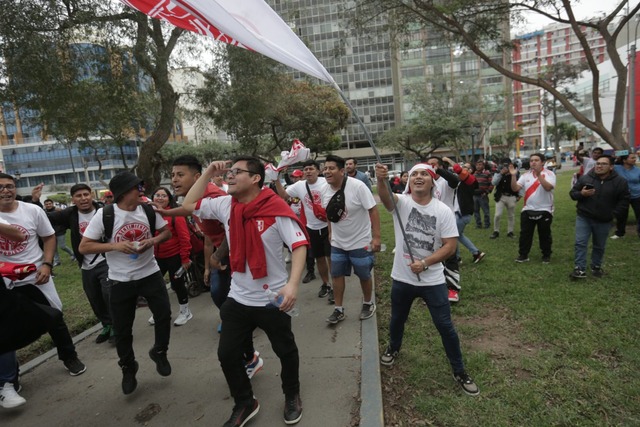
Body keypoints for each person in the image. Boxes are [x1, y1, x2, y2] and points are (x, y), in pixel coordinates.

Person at [182, 156, 309, 426]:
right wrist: (207, 172)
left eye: (237, 171)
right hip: (238, 299)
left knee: (285, 350)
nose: (229, 175)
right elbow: (187, 204)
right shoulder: (226, 205)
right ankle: (245, 402)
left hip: (271, 299)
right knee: (227, 354)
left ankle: (292, 394)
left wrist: (293, 284)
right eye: (230, 170)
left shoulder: (275, 208)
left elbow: (299, 245)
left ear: (255, 178)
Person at [373, 162, 480, 396]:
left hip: (432, 280)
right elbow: (387, 199)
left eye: (424, 174)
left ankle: (459, 370)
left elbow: (450, 246)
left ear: (433, 181)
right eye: (414, 175)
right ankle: (393, 348)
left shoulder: (442, 211)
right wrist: (381, 180)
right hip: (402, 278)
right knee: (397, 319)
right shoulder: (402, 203)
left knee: (445, 326)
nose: (418, 177)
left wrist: (425, 263)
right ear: (408, 181)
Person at [79, 172, 172, 395]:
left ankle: (159, 351)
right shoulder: (106, 215)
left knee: (163, 315)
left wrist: (154, 240)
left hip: (150, 273)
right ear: (123, 192)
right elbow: (84, 247)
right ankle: (128, 367)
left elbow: (167, 232)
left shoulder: (148, 210)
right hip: (120, 280)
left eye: (141, 188)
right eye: (136, 188)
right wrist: (115, 247)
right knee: (122, 329)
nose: (141, 192)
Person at [170, 155, 263, 377]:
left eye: (180, 175)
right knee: (220, 297)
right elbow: (210, 237)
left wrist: (218, 258)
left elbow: (236, 229)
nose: (174, 180)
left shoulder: (214, 196)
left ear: (197, 177)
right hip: (222, 258)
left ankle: (249, 353)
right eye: (173, 175)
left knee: (231, 304)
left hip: (236, 256)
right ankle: (247, 348)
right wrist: (208, 265)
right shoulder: (199, 200)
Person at [0, 173, 87, 376]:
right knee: (9, 325)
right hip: (6, 281)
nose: (6, 190)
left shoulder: (31, 211)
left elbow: (48, 237)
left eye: (10, 186)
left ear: (15, 189)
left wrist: (47, 264)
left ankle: (69, 357)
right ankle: (11, 375)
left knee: (55, 317)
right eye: (1, 187)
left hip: (36, 274)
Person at [45, 183, 114, 344]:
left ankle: (117, 327)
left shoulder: (105, 212)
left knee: (108, 294)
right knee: (94, 297)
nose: (83, 198)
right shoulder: (70, 214)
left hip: (106, 261)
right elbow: (43, 218)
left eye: (86, 194)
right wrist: (34, 201)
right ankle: (107, 325)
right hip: (86, 264)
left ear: (91, 195)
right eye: (79, 196)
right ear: (73, 200)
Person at [322, 155, 381, 324]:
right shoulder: (325, 190)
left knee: (363, 274)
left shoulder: (358, 186)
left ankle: (368, 303)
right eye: (325, 168)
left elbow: (373, 210)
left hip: (360, 242)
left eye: (331, 168)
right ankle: (338, 309)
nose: (327, 171)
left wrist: (376, 237)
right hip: (338, 243)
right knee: (337, 275)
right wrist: (330, 232)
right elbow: (329, 214)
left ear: (342, 171)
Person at [274, 160, 332, 299]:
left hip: (328, 227)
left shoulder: (326, 182)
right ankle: (326, 284)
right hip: (311, 228)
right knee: (320, 258)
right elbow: (283, 195)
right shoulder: (300, 185)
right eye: (305, 169)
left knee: (331, 258)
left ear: (318, 171)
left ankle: (336, 286)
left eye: (311, 169)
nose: (308, 171)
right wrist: (276, 178)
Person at [569, 155, 629, 279]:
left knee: (599, 245)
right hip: (584, 216)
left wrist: (613, 215)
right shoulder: (586, 178)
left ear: (611, 167)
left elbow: (624, 201)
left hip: (604, 219)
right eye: (598, 163)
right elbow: (573, 194)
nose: (599, 166)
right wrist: (582, 193)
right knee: (580, 243)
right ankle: (579, 269)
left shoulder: (620, 182)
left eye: (603, 164)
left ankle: (596, 267)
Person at [150, 187, 193, 326]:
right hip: (156, 257)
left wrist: (185, 258)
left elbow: (185, 238)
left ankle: (185, 312)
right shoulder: (149, 214)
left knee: (177, 285)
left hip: (175, 256)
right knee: (154, 286)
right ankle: (159, 312)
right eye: (157, 195)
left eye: (164, 196)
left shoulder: (175, 214)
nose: (160, 198)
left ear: (169, 199)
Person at [509, 153, 556, 263]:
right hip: (527, 209)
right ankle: (523, 255)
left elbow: (548, 188)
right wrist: (513, 176)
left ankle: (546, 255)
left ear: (542, 162)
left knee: (544, 234)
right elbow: (515, 188)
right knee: (525, 234)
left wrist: (539, 175)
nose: (533, 162)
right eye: (531, 160)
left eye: (536, 160)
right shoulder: (525, 175)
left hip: (545, 209)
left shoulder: (549, 174)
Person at [451, 164, 486, 265]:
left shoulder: (470, 181)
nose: (464, 168)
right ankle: (476, 253)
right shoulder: (461, 182)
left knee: (454, 236)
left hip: (463, 215)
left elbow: (458, 170)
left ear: (471, 171)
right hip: (459, 213)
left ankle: (457, 258)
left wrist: (448, 160)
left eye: (466, 167)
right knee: (458, 235)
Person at [490, 160, 521, 239]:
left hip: (511, 196)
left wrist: (519, 196)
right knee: (497, 215)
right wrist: (501, 173)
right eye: (505, 166)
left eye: (510, 166)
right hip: (501, 197)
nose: (507, 168)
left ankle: (510, 232)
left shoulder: (516, 174)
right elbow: (494, 183)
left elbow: (521, 185)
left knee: (511, 215)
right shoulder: (499, 173)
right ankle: (496, 231)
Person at [612, 153, 640, 239]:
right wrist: (614, 157)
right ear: (624, 160)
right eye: (632, 158)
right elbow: (608, 163)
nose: (634, 159)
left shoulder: (638, 170)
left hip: (637, 195)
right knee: (621, 215)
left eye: (634, 158)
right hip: (622, 196)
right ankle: (620, 233)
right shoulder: (617, 168)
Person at [44, 198, 75, 266]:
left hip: (60, 231)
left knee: (62, 246)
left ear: (52, 204)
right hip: (51, 232)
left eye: (50, 204)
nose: (48, 205)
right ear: (45, 205)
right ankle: (57, 261)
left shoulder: (58, 211)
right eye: (47, 204)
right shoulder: (44, 212)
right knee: (53, 248)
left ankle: (73, 254)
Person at [473, 159, 493, 229]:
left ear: (483, 166)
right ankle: (478, 224)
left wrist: (487, 192)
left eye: (480, 165)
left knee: (486, 211)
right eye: (477, 165)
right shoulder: (474, 174)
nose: (478, 166)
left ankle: (487, 224)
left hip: (483, 195)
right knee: (476, 211)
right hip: (475, 195)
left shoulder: (487, 173)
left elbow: (491, 184)